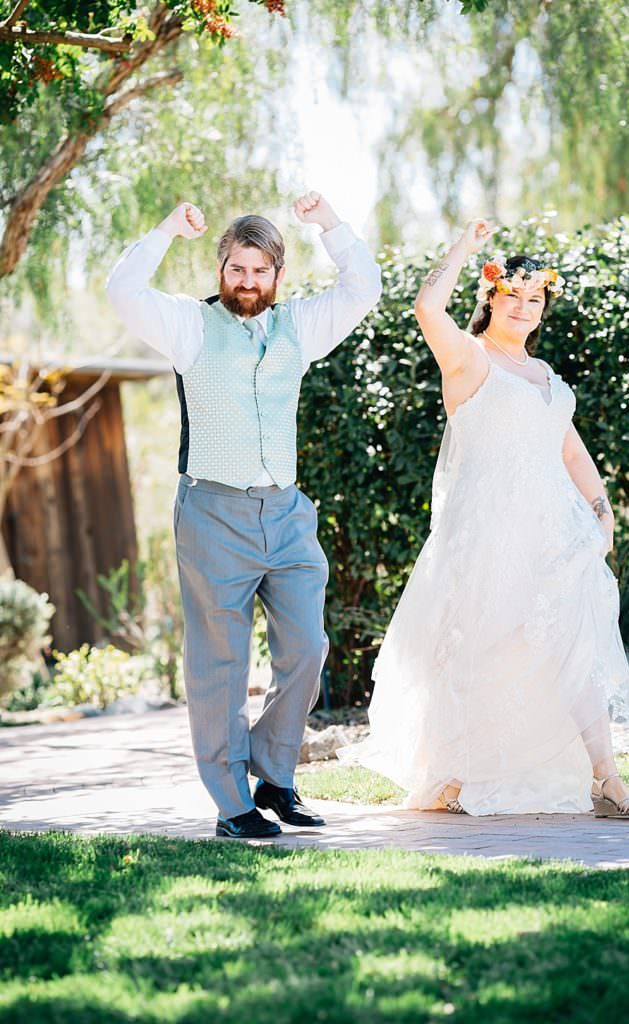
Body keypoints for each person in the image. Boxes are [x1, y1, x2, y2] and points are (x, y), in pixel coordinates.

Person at [341, 218, 629, 818]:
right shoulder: (469, 360)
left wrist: (602, 512)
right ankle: (458, 773)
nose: (525, 308)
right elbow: (428, 305)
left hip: (555, 534)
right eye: (514, 295)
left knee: (573, 650)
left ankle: (608, 780)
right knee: (483, 648)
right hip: (488, 532)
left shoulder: (545, 376)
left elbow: (569, 448)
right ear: (490, 297)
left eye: (536, 300)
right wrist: (465, 246)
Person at [107, 192, 382, 838]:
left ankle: (275, 775)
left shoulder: (300, 327)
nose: (248, 282)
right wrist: (166, 228)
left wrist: (329, 225)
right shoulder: (189, 326)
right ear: (220, 269)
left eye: (260, 271)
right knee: (220, 665)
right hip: (213, 512)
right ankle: (233, 803)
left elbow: (362, 285)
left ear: (278, 276)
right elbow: (123, 290)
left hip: (285, 514)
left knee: (308, 649)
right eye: (237, 269)